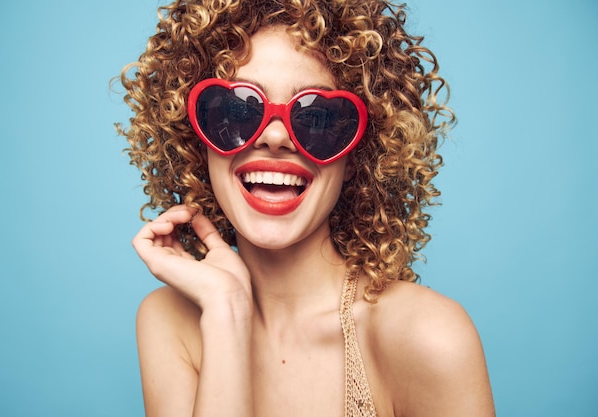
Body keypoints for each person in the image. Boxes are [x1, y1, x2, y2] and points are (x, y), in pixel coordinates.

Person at [118, 0, 496, 416]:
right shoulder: (171, 322)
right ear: (199, 142)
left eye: (316, 117)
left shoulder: (428, 336)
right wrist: (227, 313)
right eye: (238, 111)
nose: (275, 137)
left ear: (357, 157)